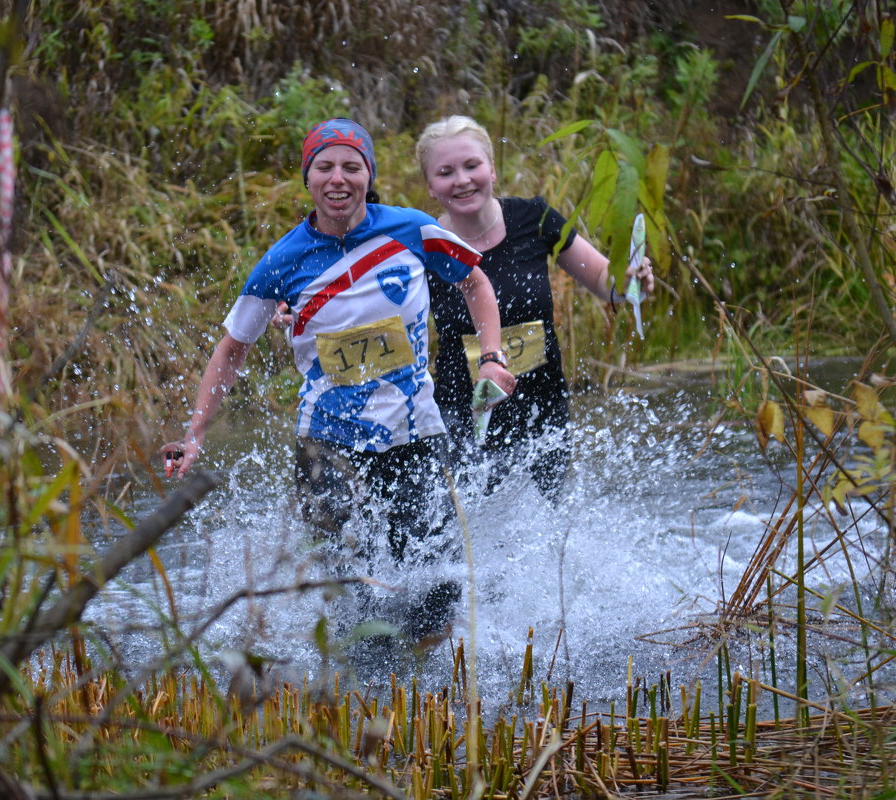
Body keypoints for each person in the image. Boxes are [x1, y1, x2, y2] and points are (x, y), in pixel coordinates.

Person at [161, 118, 516, 639]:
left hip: (414, 436)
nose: (338, 178)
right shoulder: (283, 261)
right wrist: (194, 432)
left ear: (368, 175)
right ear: (308, 179)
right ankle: (364, 705)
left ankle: (432, 707)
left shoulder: (411, 230)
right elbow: (232, 348)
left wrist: (491, 356)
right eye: (324, 167)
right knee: (353, 604)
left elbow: (475, 282)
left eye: (352, 167)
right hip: (326, 448)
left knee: (435, 597)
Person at [415, 115, 655, 500]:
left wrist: (631, 282)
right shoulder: (423, 243)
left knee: (544, 527)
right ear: (430, 186)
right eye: (446, 172)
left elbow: (603, 282)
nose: (461, 180)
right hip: (464, 413)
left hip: (542, 408)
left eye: (472, 166)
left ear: (492, 169)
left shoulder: (534, 218)